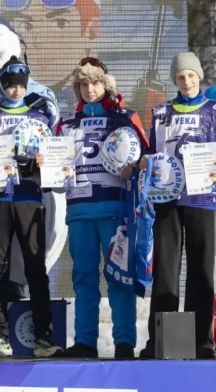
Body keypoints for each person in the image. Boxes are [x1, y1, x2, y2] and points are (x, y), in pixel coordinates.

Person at [139, 52, 216, 359]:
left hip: (202, 197)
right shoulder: (161, 112)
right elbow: (150, 150)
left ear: (199, 77)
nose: (186, 82)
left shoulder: (215, 110)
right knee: (165, 270)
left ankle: (201, 341)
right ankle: (160, 340)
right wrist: (144, 161)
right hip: (166, 199)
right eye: (180, 77)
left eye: (191, 76)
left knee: (201, 270)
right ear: (175, 80)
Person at [54, 57, 148, 359]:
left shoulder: (124, 118)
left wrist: (134, 167)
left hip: (114, 209)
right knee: (83, 278)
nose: (89, 89)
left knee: (119, 277)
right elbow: (55, 161)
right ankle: (84, 341)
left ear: (105, 85)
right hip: (79, 210)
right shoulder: (66, 123)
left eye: (95, 82)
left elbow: (146, 157)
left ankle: (124, 342)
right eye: (83, 84)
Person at [0, 57, 63, 358]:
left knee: (36, 268)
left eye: (21, 86)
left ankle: (44, 337)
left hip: (29, 198)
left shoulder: (40, 118)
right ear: (2, 86)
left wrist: (45, 162)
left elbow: (56, 161)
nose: (16, 91)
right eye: (11, 86)